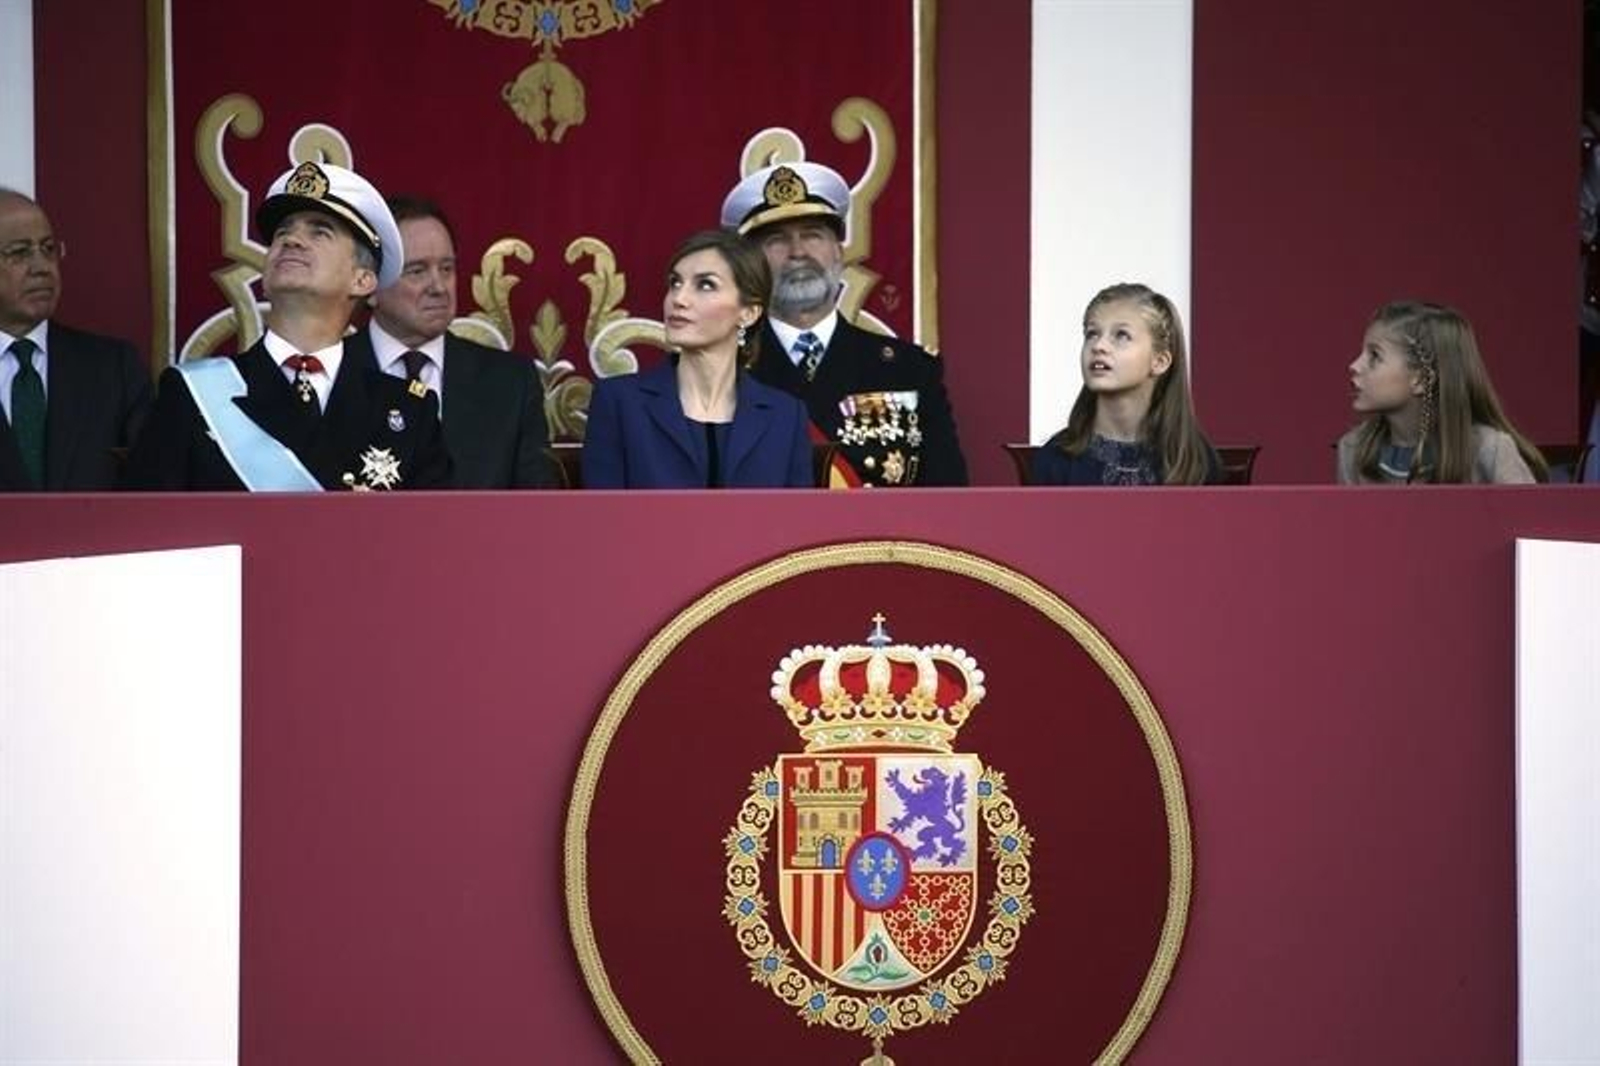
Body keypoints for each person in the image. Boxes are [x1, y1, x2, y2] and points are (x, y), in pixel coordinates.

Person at [124, 162, 450, 491]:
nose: (292, 240)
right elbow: (149, 528)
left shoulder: (408, 411)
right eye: (283, 232)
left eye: (319, 231)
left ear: (362, 280)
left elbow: (435, 534)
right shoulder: (193, 395)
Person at [720, 162, 967, 487]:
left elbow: (947, 492)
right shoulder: (719, 371)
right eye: (776, 240)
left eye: (812, 236)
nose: (797, 252)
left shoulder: (909, 370)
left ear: (839, 252)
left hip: (875, 538)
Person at [348, 196, 556, 488]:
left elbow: (539, 511)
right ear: (369, 286)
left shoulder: (511, 383)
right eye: (417, 271)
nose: (438, 287)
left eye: (446, 268)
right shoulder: (329, 373)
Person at [581, 229, 811, 489]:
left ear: (748, 313)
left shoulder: (785, 416)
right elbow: (603, 522)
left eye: (705, 285)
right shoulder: (619, 403)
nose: (678, 299)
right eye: (675, 283)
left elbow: (798, 524)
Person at [0, 188, 151, 491]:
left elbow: (152, 485)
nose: (42, 267)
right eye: (19, 253)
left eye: (49, 249)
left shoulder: (114, 369)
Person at [1337, 301, 1546, 484]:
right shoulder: (1353, 451)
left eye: (1374, 356)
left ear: (1419, 379)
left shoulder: (1491, 450)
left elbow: (1531, 527)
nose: (1354, 365)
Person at [1032, 282, 1220, 485]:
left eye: (1121, 335)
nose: (1099, 346)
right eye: (1092, 334)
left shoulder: (1196, 461)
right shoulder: (1055, 460)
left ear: (1159, 361)